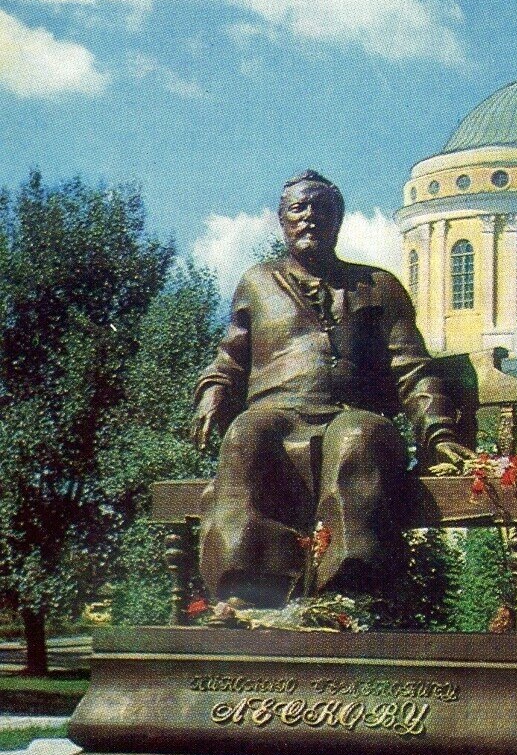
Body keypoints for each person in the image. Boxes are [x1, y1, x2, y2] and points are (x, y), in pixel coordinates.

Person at [192, 170, 472, 608]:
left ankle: (349, 594)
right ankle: (248, 592)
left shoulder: (379, 286)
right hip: (277, 412)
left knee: (360, 438)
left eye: (320, 209)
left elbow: (412, 368)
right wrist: (214, 390)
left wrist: (439, 433)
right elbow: (230, 355)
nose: (309, 218)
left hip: (350, 412)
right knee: (247, 435)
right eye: (297, 210)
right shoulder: (257, 282)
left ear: (338, 219)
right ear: (282, 221)